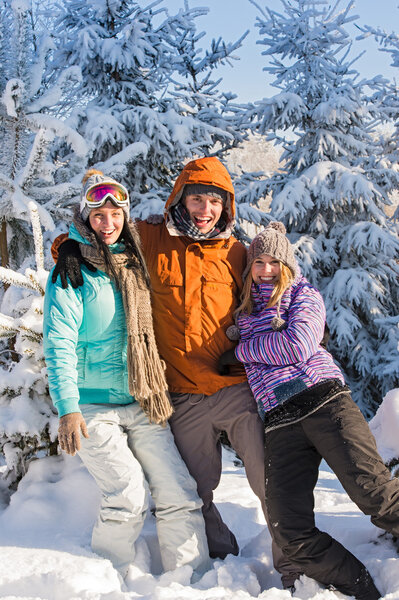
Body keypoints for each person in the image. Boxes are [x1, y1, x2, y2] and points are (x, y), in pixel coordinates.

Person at [51, 157, 299, 587]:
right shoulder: (149, 239)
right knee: (193, 491)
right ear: (179, 199)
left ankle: (295, 567)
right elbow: (103, 234)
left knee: (270, 482)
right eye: (197, 198)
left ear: (227, 207)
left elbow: (274, 286)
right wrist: (66, 248)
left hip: (234, 389)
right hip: (180, 395)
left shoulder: (238, 253)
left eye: (215, 202)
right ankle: (214, 560)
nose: (205, 209)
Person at [43, 169, 210, 579]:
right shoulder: (71, 270)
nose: (108, 222)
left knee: (179, 493)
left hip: (140, 398)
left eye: (116, 213)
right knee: (127, 496)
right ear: (85, 218)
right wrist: (68, 408)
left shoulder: (133, 261)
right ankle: (106, 578)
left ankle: (193, 579)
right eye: (98, 214)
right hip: (91, 406)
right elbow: (58, 342)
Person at [221, 220, 399, 599]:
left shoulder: (304, 294)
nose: (266, 269)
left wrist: (241, 352)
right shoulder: (243, 314)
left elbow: (298, 345)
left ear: (287, 264)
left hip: (324, 402)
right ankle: (367, 590)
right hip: (280, 422)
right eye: (258, 262)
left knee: (377, 497)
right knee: (289, 531)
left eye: (274, 261)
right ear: (249, 267)